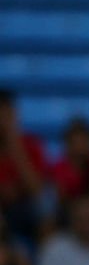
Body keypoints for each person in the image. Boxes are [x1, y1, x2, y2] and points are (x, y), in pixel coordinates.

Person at [46, 118, 89, 237]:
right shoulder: (59, 167)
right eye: (75, 142)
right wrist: (78, 210)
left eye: (83, 141)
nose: (79, 147)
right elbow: (60, 199)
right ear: (67, 144)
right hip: (68, 212)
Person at [0, 91, 48, 245]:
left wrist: (14, 147)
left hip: (24, 208)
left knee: (45, 208)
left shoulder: (31, 145)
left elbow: (36, 190)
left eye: (6, 114)